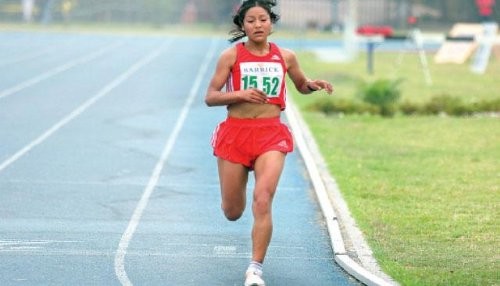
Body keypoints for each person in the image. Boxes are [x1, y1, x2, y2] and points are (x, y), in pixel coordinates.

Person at [204, 1, 333, 285]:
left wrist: (314, 85)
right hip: (235, 135)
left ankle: (255, 269)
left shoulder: (285, 57)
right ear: (242, 26)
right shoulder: (230, 56)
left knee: (263, 200)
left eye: (263, 19)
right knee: (232, 212)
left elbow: (301, 85)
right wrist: (240, 94)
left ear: (271, 23)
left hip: (270, 134)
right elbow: (211, 96)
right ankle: (234, 200)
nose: (258, 25)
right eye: (251, 20)